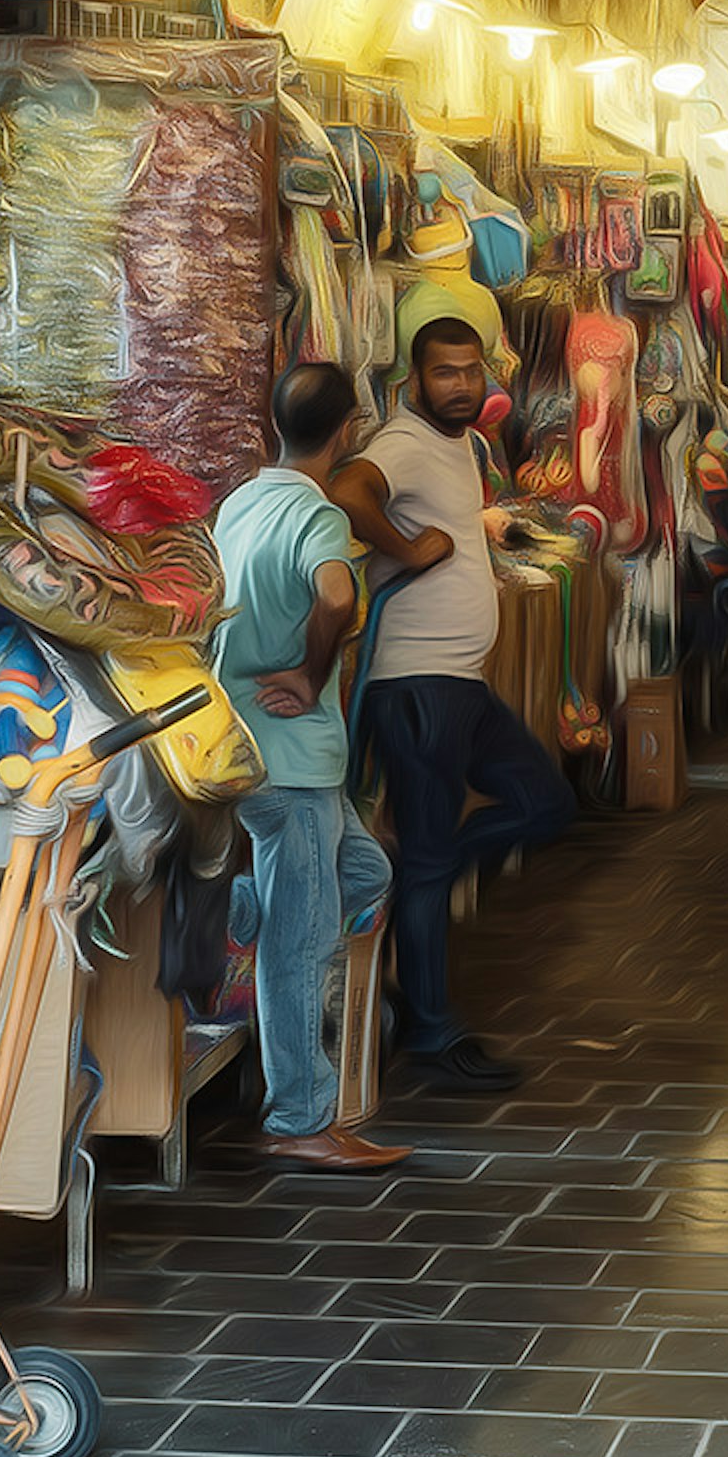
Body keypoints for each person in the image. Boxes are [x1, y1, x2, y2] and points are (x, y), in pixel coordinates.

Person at [335, 318, 575, 1093]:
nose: (462, 385)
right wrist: (405, 552)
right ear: (415, 378)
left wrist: (471, 530)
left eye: (471, 371)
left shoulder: (462, 446)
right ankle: (433, 1028)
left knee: (545, 803)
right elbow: (348, 491)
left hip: (459, 686)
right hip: (416, 687)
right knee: (441, 856)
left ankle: (419, 878)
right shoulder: (404, 440)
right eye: (445, 373)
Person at [205, 364, 410, 1173]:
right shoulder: (318, 517)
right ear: (349, 430)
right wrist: (311, 673)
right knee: (305, 940)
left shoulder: (244, 502)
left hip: (244, 744)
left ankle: (238, 926)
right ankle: (300, 1118)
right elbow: (336, 598)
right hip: (292, 760)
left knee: (362, 875)